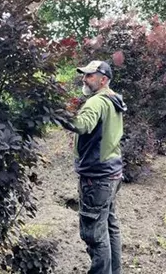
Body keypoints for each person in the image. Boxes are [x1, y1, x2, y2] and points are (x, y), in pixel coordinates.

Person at [63, 60, 127, 274]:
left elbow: (81, 125)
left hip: (97, 178)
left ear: (103, 79)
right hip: (112, 173)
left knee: (94, 233)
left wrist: (58, 114)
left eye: (90, 75)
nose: (85, 78)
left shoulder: (96, 102)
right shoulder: (114, 99)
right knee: (109, 226)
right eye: (85, 74)